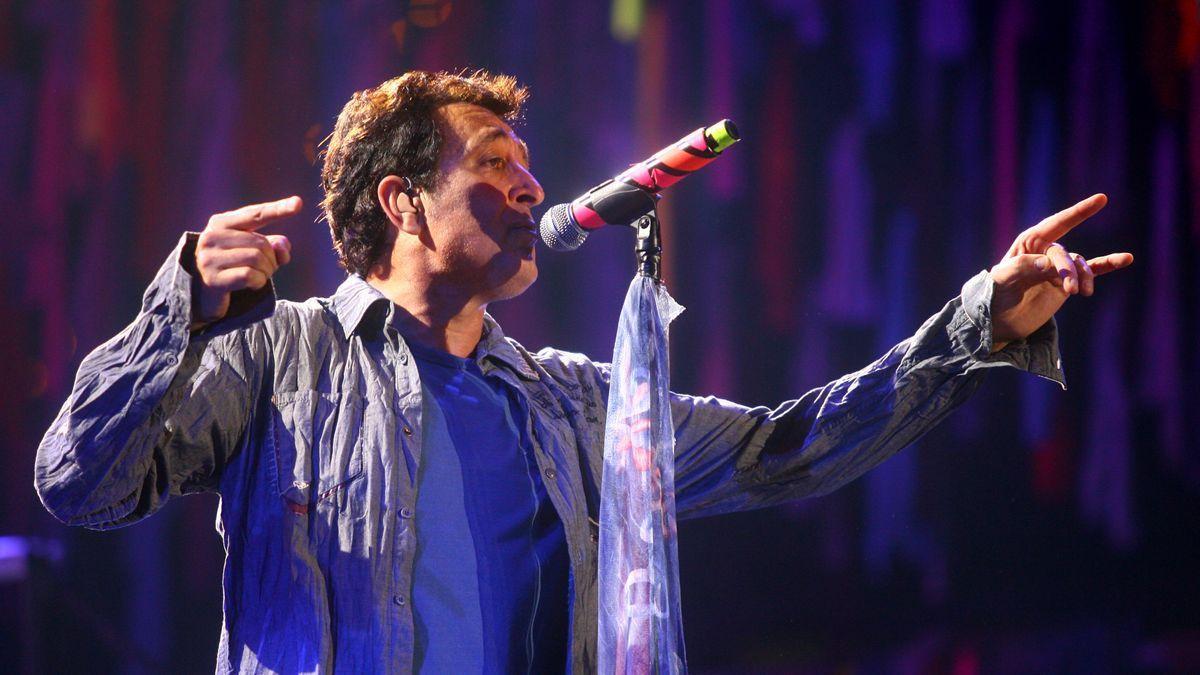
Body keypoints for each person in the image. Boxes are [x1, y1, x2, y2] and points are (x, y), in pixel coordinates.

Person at [34, 70, 1133, 674]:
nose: (530, 185)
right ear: (400, 200)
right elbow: (79, 485)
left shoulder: (571, 400)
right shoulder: (280, 360)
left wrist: (978, 317)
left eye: (532, 166)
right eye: (494, 162)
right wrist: (174, 307)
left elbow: (782, 448)